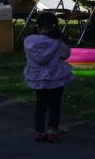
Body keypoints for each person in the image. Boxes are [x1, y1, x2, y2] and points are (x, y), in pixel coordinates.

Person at [23, 12, 74, 143]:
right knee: (54, 105)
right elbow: (66, 54)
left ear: (37, 25)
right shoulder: (58, 41)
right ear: (54, 25)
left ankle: (39, 132)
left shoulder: (29, 41)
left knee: (40, 105)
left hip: (37, 77)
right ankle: (52, 131)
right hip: (56, 76)